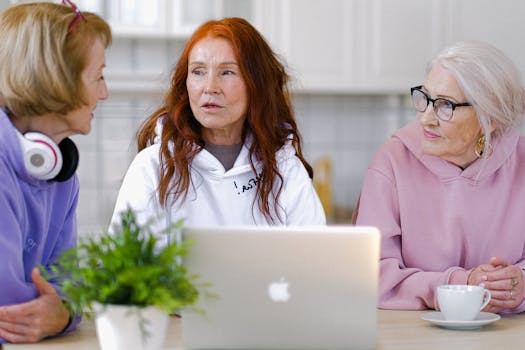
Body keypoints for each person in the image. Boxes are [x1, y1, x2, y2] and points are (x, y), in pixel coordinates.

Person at [355, 41, 525, 314]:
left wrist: (519, 284)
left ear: (489, 118)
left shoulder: (521, 161)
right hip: (412, 333)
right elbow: (370, 274)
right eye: (425, 98)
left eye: (445, 105)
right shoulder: (392, 160)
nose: (426, 118)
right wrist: (463, 284)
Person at [110, 17, 325, 232]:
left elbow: (316, 258)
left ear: (257, 84)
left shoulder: (285, 169)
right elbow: (125, 262)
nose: (210, 87)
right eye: (198, 72)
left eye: (227, 72)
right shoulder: (153, 166)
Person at [0, 1, 111, 343]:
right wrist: (62, 310)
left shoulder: (61, 174)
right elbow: (11, 312)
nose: (104, 93)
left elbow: (68, 286)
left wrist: (62, 311)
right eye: (98, 76)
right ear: (58, 80)